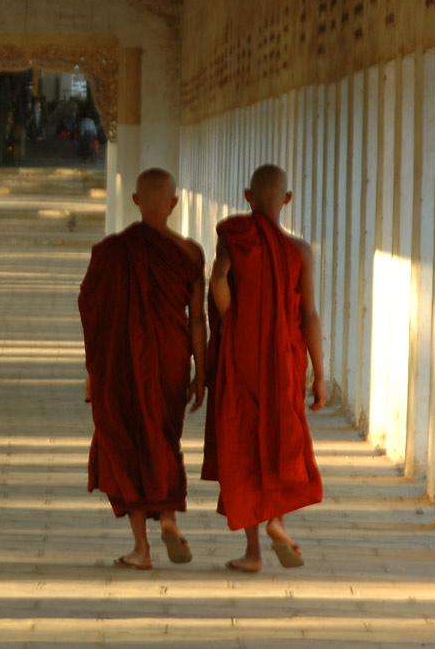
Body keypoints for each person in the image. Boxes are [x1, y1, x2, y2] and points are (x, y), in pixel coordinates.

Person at [202, 164, 328, 573]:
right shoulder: (300, 251)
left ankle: (254, 552)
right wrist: (320, 374)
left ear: (248, 196)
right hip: (285, 361)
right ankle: (277, 521)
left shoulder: (234, 237)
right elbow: (309, 315)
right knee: (281, 440)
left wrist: (231, 318)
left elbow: (218, 280)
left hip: (242, 359)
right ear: (286, 199)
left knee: (243, 445)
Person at [79, 168, 207, 570]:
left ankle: (141, 548)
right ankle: (167, 518)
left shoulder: (112, 251)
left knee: (126, 443)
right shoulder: (190, 253)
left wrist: (93, 373)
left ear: (135, 201)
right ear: (174, 203)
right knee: (163, 438)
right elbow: (198, 319)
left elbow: (93, 314)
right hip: (171, 360)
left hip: (120, 364)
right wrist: (201, 371)